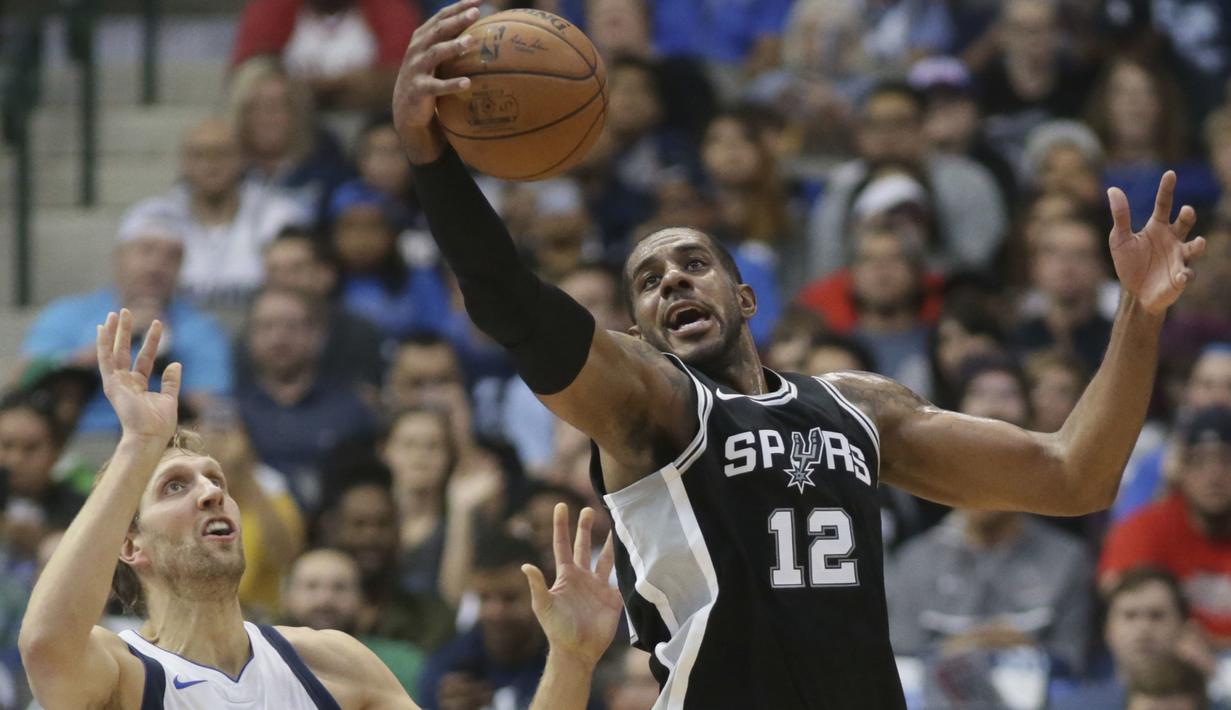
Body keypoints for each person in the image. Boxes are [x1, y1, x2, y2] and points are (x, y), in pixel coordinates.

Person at [394, 1, 1206, 705]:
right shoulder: (652, 401)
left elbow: (1074, 475)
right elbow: (510, 303)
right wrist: (430, 159)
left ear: (745, 299)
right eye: (648, 279)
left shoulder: (861, 407)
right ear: (637, 331)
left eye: (693, 263)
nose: (672, 278)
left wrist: (1139, 313)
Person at [16, 308, 624, 710]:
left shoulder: (329, 663)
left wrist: (570, 660)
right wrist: (139, 446)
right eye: (175, 487)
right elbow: (45, 645)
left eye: (215, 479)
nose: (210, 492)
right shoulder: (121, 670)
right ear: (132, 545)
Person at [19, 203, 232, 434]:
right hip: (73, 441)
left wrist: (166, 360)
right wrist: (111, 343)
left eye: (172, 257)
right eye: (146, 250)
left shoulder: (201, 329)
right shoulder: (69, 314)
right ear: (119, 256)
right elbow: (23, 380)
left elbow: (216, 412)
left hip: (162, 444)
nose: (156, 265)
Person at [1100, 406, 1231, 646]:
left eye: (1226, 460)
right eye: (1198, 461)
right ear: (1180, 469)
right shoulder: (1145, 527)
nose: (1214, 474)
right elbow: (1119, 599)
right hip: (1170, 665)